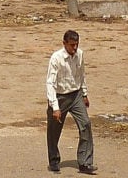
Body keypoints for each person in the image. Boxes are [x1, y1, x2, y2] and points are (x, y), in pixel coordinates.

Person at [46, 29, 96, 174]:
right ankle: (54, 160)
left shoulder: (80, 54)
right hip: (59, 97)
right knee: (54, 131)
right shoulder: (56, 58)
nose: (74, 48)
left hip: (75, 95)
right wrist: (55, 107)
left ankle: (85, 162)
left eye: (76, 44)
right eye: (72, 45)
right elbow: (50, 83)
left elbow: (81, 74)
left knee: (85, 124)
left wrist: (84, 94)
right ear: (64, 44)